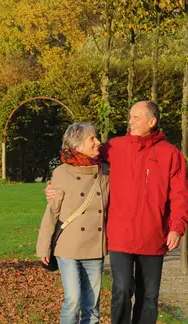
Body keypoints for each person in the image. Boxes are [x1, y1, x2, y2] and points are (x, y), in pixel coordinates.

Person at [45, 101, 188, 324]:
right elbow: (80, 159)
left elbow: (181, 195)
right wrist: (55, 185)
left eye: (136, 117)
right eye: (130, 116)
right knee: (122, 290)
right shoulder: (115, 147)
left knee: (149, 296)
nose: (130, 121)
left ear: (152, 122)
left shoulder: (170, 154)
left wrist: (176, 228)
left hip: (154, 237)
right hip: (120, 237)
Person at [37, 122, 109, 324]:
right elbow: (52, 211)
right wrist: (43, 247)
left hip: (95, 247)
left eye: (96, 137)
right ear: (77, 146)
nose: (98, 142)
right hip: (67, 247)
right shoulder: (61, 172)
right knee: (73, 300)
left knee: (92, 305)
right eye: (92, 139)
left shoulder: (105, 171)